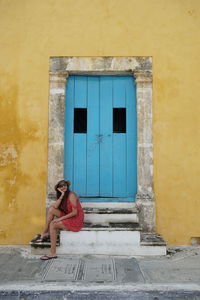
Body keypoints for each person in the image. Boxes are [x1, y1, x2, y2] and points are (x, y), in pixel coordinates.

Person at [31, 179, 84, 260]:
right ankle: (45, 232)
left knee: (53, 224)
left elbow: (74, 212)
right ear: (58, 188)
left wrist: (60, 219)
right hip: (68, 215)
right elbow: (55, 207)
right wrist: (62, 195)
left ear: (67, 186)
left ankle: (52, 253)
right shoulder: (62, 195)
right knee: (51, 209)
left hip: (75, 219)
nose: (63, 187)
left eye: (65, 185)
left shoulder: (71, 195)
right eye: (61, 186)